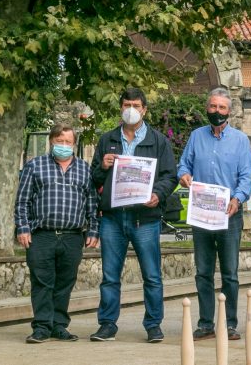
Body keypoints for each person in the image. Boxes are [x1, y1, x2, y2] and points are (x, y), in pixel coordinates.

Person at [90, 87, 178, 343]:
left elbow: (169, 176)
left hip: (145, 219)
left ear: (144, 109)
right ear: (121, 107)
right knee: (109, 276)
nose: (131, 109)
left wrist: (158, 195)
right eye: (127, 104)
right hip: (113, 218)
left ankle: (153, 325)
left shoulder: (158, 140)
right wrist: (102, 166)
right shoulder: (107, 139)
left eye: (136, 105)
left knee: (151, 275)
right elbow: (93, 176)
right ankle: (107, 325)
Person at [177, 87, 251, 341]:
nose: (216, 111)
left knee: (230, 272)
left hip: (230, 214)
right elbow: (184, 164)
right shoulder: (196, 136)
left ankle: (230, 324)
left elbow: (246, 177)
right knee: (203, 272)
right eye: (213, 106)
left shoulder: (240, 140)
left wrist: (237, 199)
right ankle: (206, 323)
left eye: (221, 108)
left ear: (229, 112)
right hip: (202, 213)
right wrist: (184, 175)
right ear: (206, 108)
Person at [14, 124, 99, 343]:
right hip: (41, 234)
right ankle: (42, 326)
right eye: (59, 141)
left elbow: (91, 202)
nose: (63, 146)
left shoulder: (84, 169)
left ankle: (59, 325)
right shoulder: (34, 166)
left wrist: (93, 229)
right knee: (42, 282)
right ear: (51, 142)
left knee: (64, 283)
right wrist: (22, 228)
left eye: (68, 142)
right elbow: (22, 201)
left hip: (72, 236)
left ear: (74, 144)